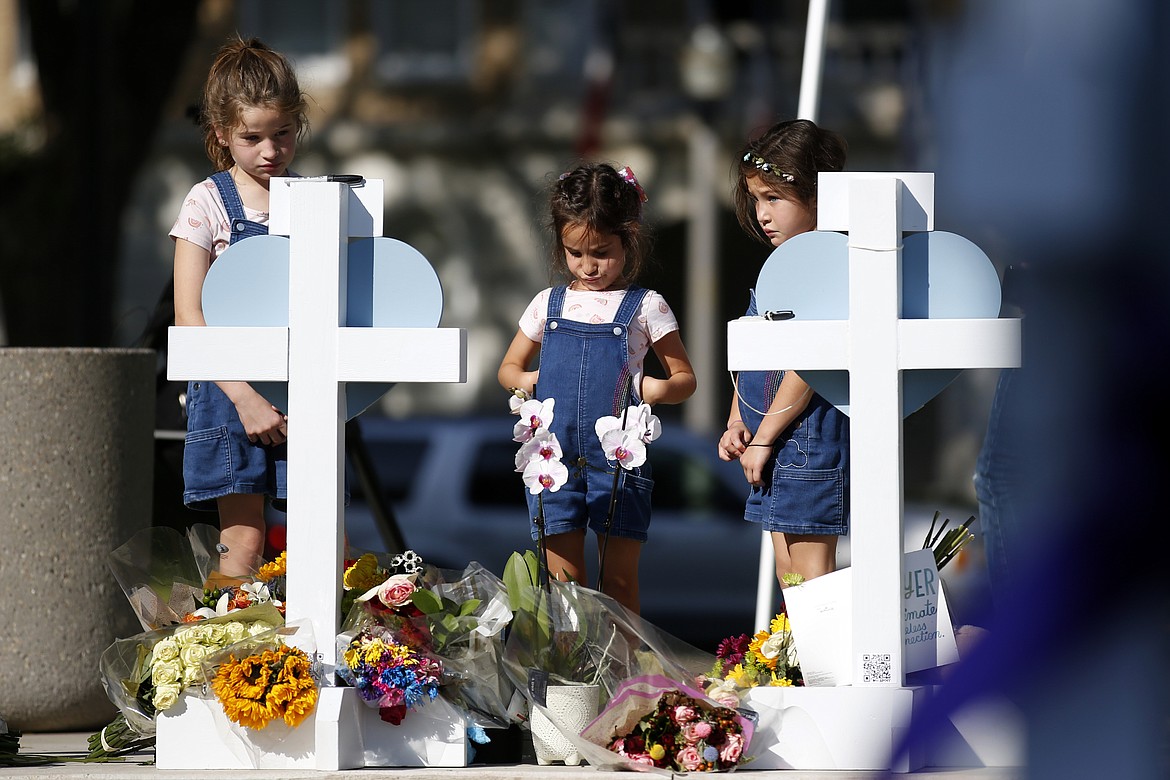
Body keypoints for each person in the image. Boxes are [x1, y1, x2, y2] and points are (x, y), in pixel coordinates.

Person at [497, 162, 696, 614]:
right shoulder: (547, 303)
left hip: (620, 458)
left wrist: (646, 388)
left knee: (619, 580)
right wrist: (527, 381)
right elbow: (508, 367)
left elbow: (685, 379)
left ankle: (621, 672)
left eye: (602, 253)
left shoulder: (647, 306)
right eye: (575, 253)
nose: (588, 266)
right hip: (554, 456)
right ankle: (574, 678)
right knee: (562, 583)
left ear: (629, 238)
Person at [170, 37, 307, 579]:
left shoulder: (314, 200)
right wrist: (246, 398)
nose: (271, 151)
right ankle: (231, 660)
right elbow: (189, 317)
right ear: (222, 134)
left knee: (324, 546)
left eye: (284, 134)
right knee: (243, 548)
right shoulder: (207, 203)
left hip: (302, 390)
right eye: (253, 138)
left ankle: (315, 664)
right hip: (231, 396)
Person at [717, 119, 850, 587]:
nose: (762, 214)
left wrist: (764, 436)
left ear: (817, 197)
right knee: (788, 574)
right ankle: (790, 662)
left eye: (774, 198)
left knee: (813, 577)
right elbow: (756, 350)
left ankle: (817, 664)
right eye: (756, 199)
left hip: (807, 442)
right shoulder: (781, 265)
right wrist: (738, 419)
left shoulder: (828, 263)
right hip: (770, 440)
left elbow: (811, 361)